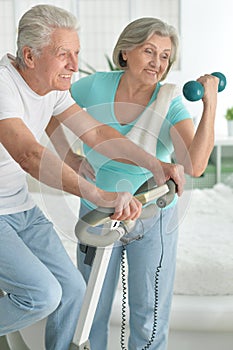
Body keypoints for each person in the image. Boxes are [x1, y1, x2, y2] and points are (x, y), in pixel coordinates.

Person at [0, 6, 186, 350]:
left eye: (77, 54)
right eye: (63, 55)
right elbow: (29, 155)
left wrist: (156, 165)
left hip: (19, 208)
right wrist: (98, 194)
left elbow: (98, 134)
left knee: (73, 292)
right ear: (29, 55)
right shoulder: (3, 86)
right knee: (43, 295)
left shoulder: (52, 86)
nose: (73, 64)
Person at [71, 17, 219, 350]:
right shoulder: (94, 86)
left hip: (152, 215)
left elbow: (195, 165)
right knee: (89, 308)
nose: (157, 62)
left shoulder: (172, 102)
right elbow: (51, 104)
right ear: (125, 52)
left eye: (165, 56)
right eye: (149, 51)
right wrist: (69, 157)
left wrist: (210, 104)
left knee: (147, 315)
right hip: (98, 209)